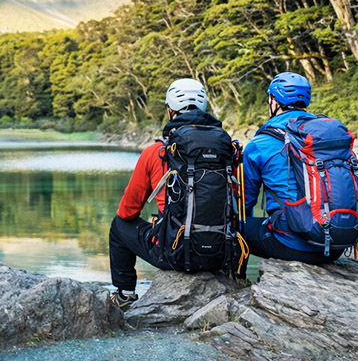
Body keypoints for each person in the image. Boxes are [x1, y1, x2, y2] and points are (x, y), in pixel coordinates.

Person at [108, 78, 225, 310]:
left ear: (170, 111)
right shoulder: (225, 149)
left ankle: (125, 295)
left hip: (176, 253)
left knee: (119, 226)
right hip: (221, 252)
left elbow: (128, 211)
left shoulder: (157, 151)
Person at [243, 72, 344, 264]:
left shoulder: (260, 143)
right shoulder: (324, 136)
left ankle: (236, 280)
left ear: (275, 100)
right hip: (336, 244)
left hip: (291, 245)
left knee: (233, 228)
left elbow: (245, 202)